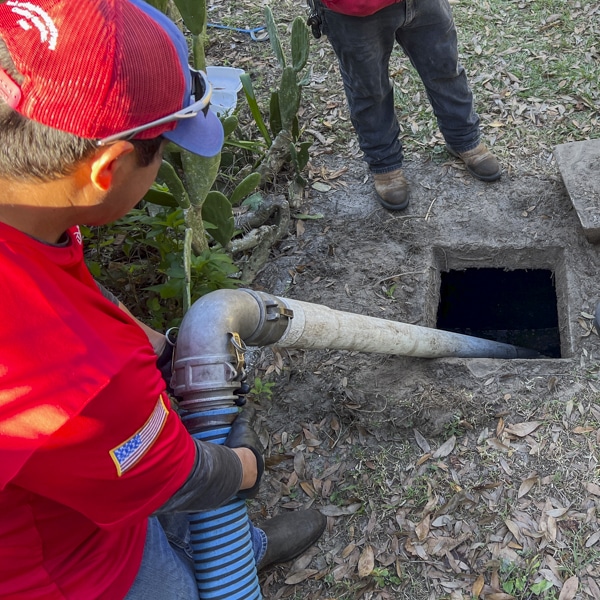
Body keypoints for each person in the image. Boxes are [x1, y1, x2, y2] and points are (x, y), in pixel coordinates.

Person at [0, 1, 325, 598]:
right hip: (70, 570)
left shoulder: (23, 204)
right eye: (165, 148)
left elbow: (60, 276)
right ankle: (224, 570)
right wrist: (246, 462)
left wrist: (152, 347)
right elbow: (180, 477)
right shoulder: (77, 372)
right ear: (107, 167)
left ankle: (236, 550)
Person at [312, 0, 502, 210]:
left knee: (445, 68)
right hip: (355, 8)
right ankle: (385, 164)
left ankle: (464, 139)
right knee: (369, 89)